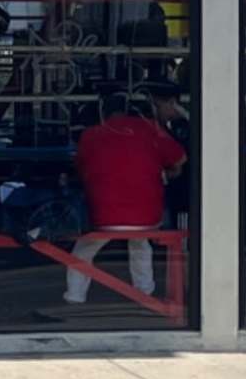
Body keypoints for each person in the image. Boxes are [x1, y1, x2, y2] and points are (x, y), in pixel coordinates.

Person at [64, 94, 187, 307]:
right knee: (141, 243)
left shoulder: (91, 134)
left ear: (103, 112)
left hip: (104, 216)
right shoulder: (149, 129)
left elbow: (79, 168)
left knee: (83, 250)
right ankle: (144, 294)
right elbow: (180, 158)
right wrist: (168, 172)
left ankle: (75, 296)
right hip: (147, 216)